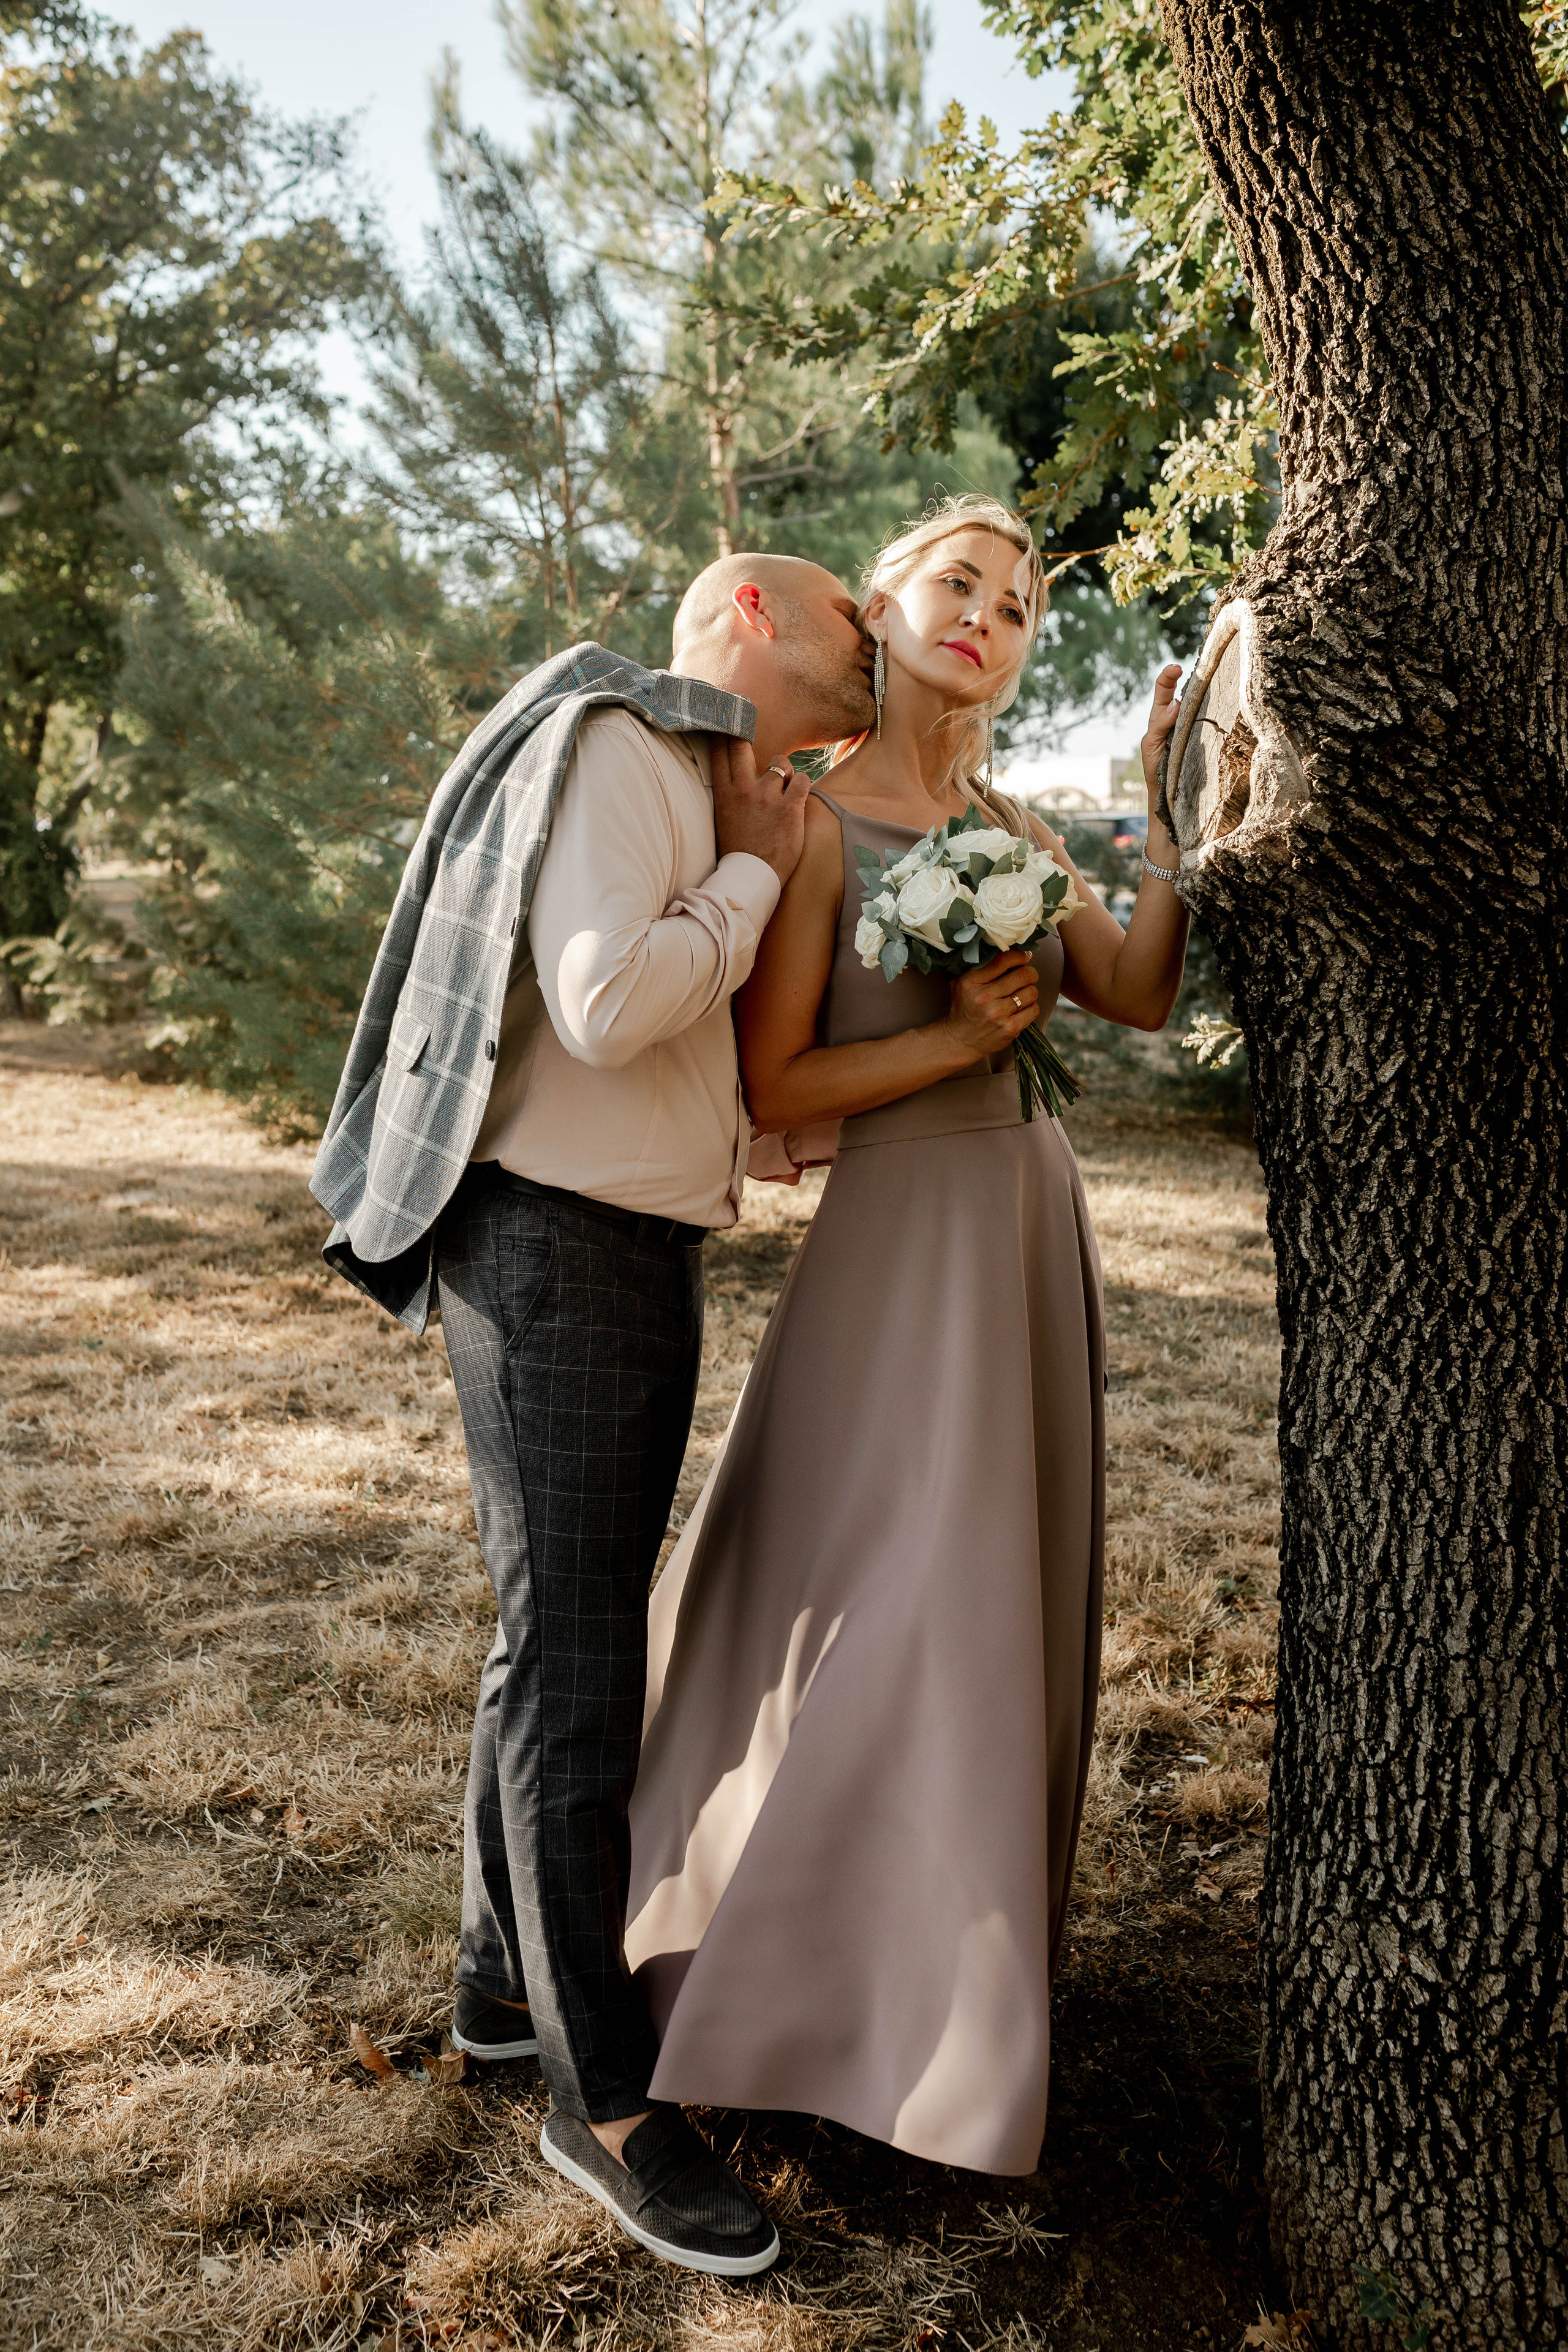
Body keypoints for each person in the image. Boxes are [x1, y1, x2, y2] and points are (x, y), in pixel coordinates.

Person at [310, 560, 875, 2274]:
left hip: (614, 1237)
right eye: (854, 618)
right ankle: (601, 2103)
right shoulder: (632, 736)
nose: (872, 649)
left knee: (552, 1637)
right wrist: (761, 888)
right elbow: (613, 996)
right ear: (759, 616)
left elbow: (653, 1050)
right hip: (555, 1247)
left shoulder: (695, 778)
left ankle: (499, 1990)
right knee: (576, 1670)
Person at [622, 495, 1189, 2176]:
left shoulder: (1015, 822)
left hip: (1024, 1229)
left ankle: (939, 2035)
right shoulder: (804, 826)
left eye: (1017, 609)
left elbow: (1137, 991)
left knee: (979, 1627)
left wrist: (1162, 817)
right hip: (899, 1238)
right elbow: (780, 1085)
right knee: (867, 1605)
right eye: (959, 584)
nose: (988, 619)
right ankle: (767, 1993)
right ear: (880, 604)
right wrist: (954, 1048)